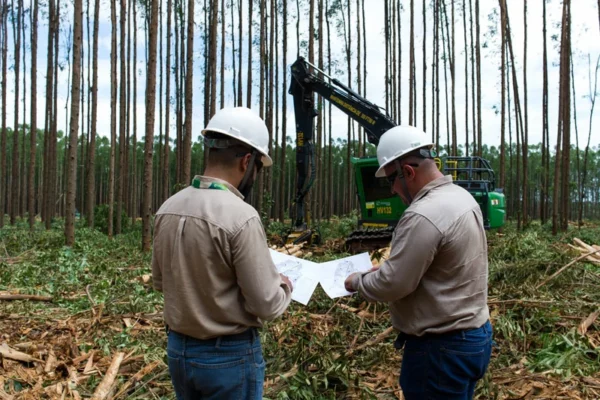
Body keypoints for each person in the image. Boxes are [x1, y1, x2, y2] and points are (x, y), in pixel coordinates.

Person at [152, 106, 294, 400]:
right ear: (247, 161)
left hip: (179, 350)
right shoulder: (241, 217)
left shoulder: (168, 208)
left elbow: (160, 282)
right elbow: (266, 305)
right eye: (256, 169)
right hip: (228, 357)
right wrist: (284, 285)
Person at [344, 126, 493, 400]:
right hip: (474, 336)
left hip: (441, 349)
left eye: (391, 179)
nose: (392, 189)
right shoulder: (462, 197)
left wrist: (357, 281)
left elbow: (394, 283)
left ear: (408, 172)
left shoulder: (423, 214)